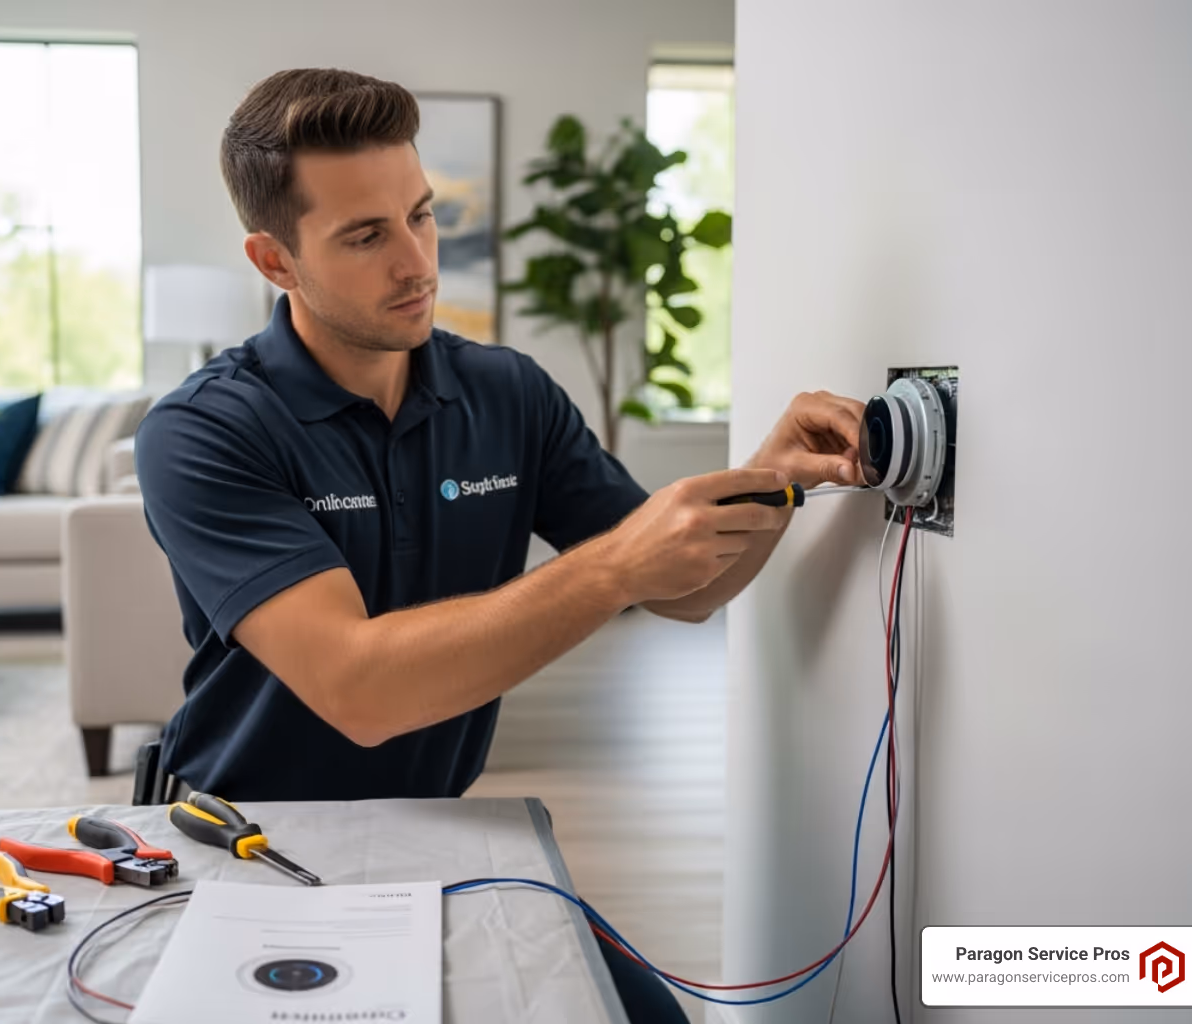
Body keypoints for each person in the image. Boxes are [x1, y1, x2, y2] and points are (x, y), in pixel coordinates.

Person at [136, 68, 866, 1023]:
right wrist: (611, 566)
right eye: (366, 235)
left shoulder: (506, 394)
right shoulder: (203, 431)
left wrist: (777, 477)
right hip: (251, 837)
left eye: (423, 215)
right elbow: (361, 691)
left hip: (445, 826)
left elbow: (687, 592)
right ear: (275, 262)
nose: (417, 261)